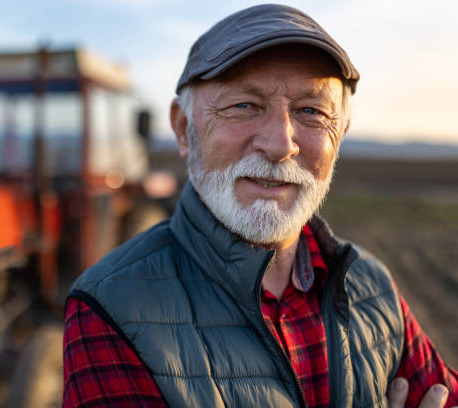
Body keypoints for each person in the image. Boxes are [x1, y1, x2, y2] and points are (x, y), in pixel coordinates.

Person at [62, 4, 458, 407]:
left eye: (311, 111)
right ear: (184, 128)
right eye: (244, 106)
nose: (280, 144)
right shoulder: (111, 309)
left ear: (339, 135)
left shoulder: (370, 288)